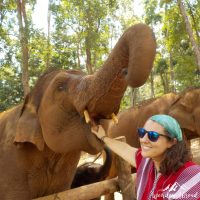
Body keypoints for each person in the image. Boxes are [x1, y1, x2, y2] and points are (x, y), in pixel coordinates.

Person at [91, 114, 200, 200]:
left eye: (153, 136)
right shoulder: (147, 163)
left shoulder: (193, 176)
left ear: (172, 142)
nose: (143, 140)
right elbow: (124, 149)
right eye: (142, 132)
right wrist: (103, 137)